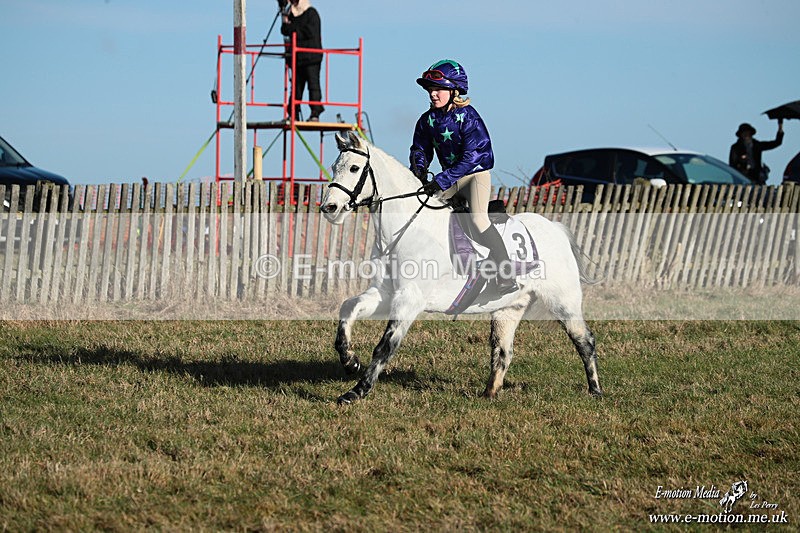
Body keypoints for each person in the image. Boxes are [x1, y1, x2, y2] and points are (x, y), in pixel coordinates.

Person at [409, 59, 517, 295]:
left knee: (478, 220)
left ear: (454, 91)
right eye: (430, 90)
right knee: (426, 209)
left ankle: (506, 274)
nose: (432, 94)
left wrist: (441, 180)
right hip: (450, 178)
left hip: (474, 175)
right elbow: (420, 149)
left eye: (438, 89)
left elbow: (471, 157)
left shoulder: (469, 116)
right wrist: (419, 171)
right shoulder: (427, 120)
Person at [279, 0, 324, 121]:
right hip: (298, 58)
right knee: (296, 88)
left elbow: (308, 32)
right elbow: (284, 30)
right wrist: (285, 18)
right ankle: (293, 114)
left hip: (311, 57)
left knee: (313, 86)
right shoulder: (292, 15)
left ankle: (315, 113)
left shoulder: (312, 14)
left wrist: (292, 28)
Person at [729, 120, 784, 184]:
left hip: (757, 178)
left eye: (748, 132)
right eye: (744, 133)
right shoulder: (735, 148)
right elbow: (732, 165)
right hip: (743, 178)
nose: (746, 135)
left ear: (751, 134)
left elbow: (777, 143)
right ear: (741, 135)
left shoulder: (757, 145)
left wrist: (780, 127)